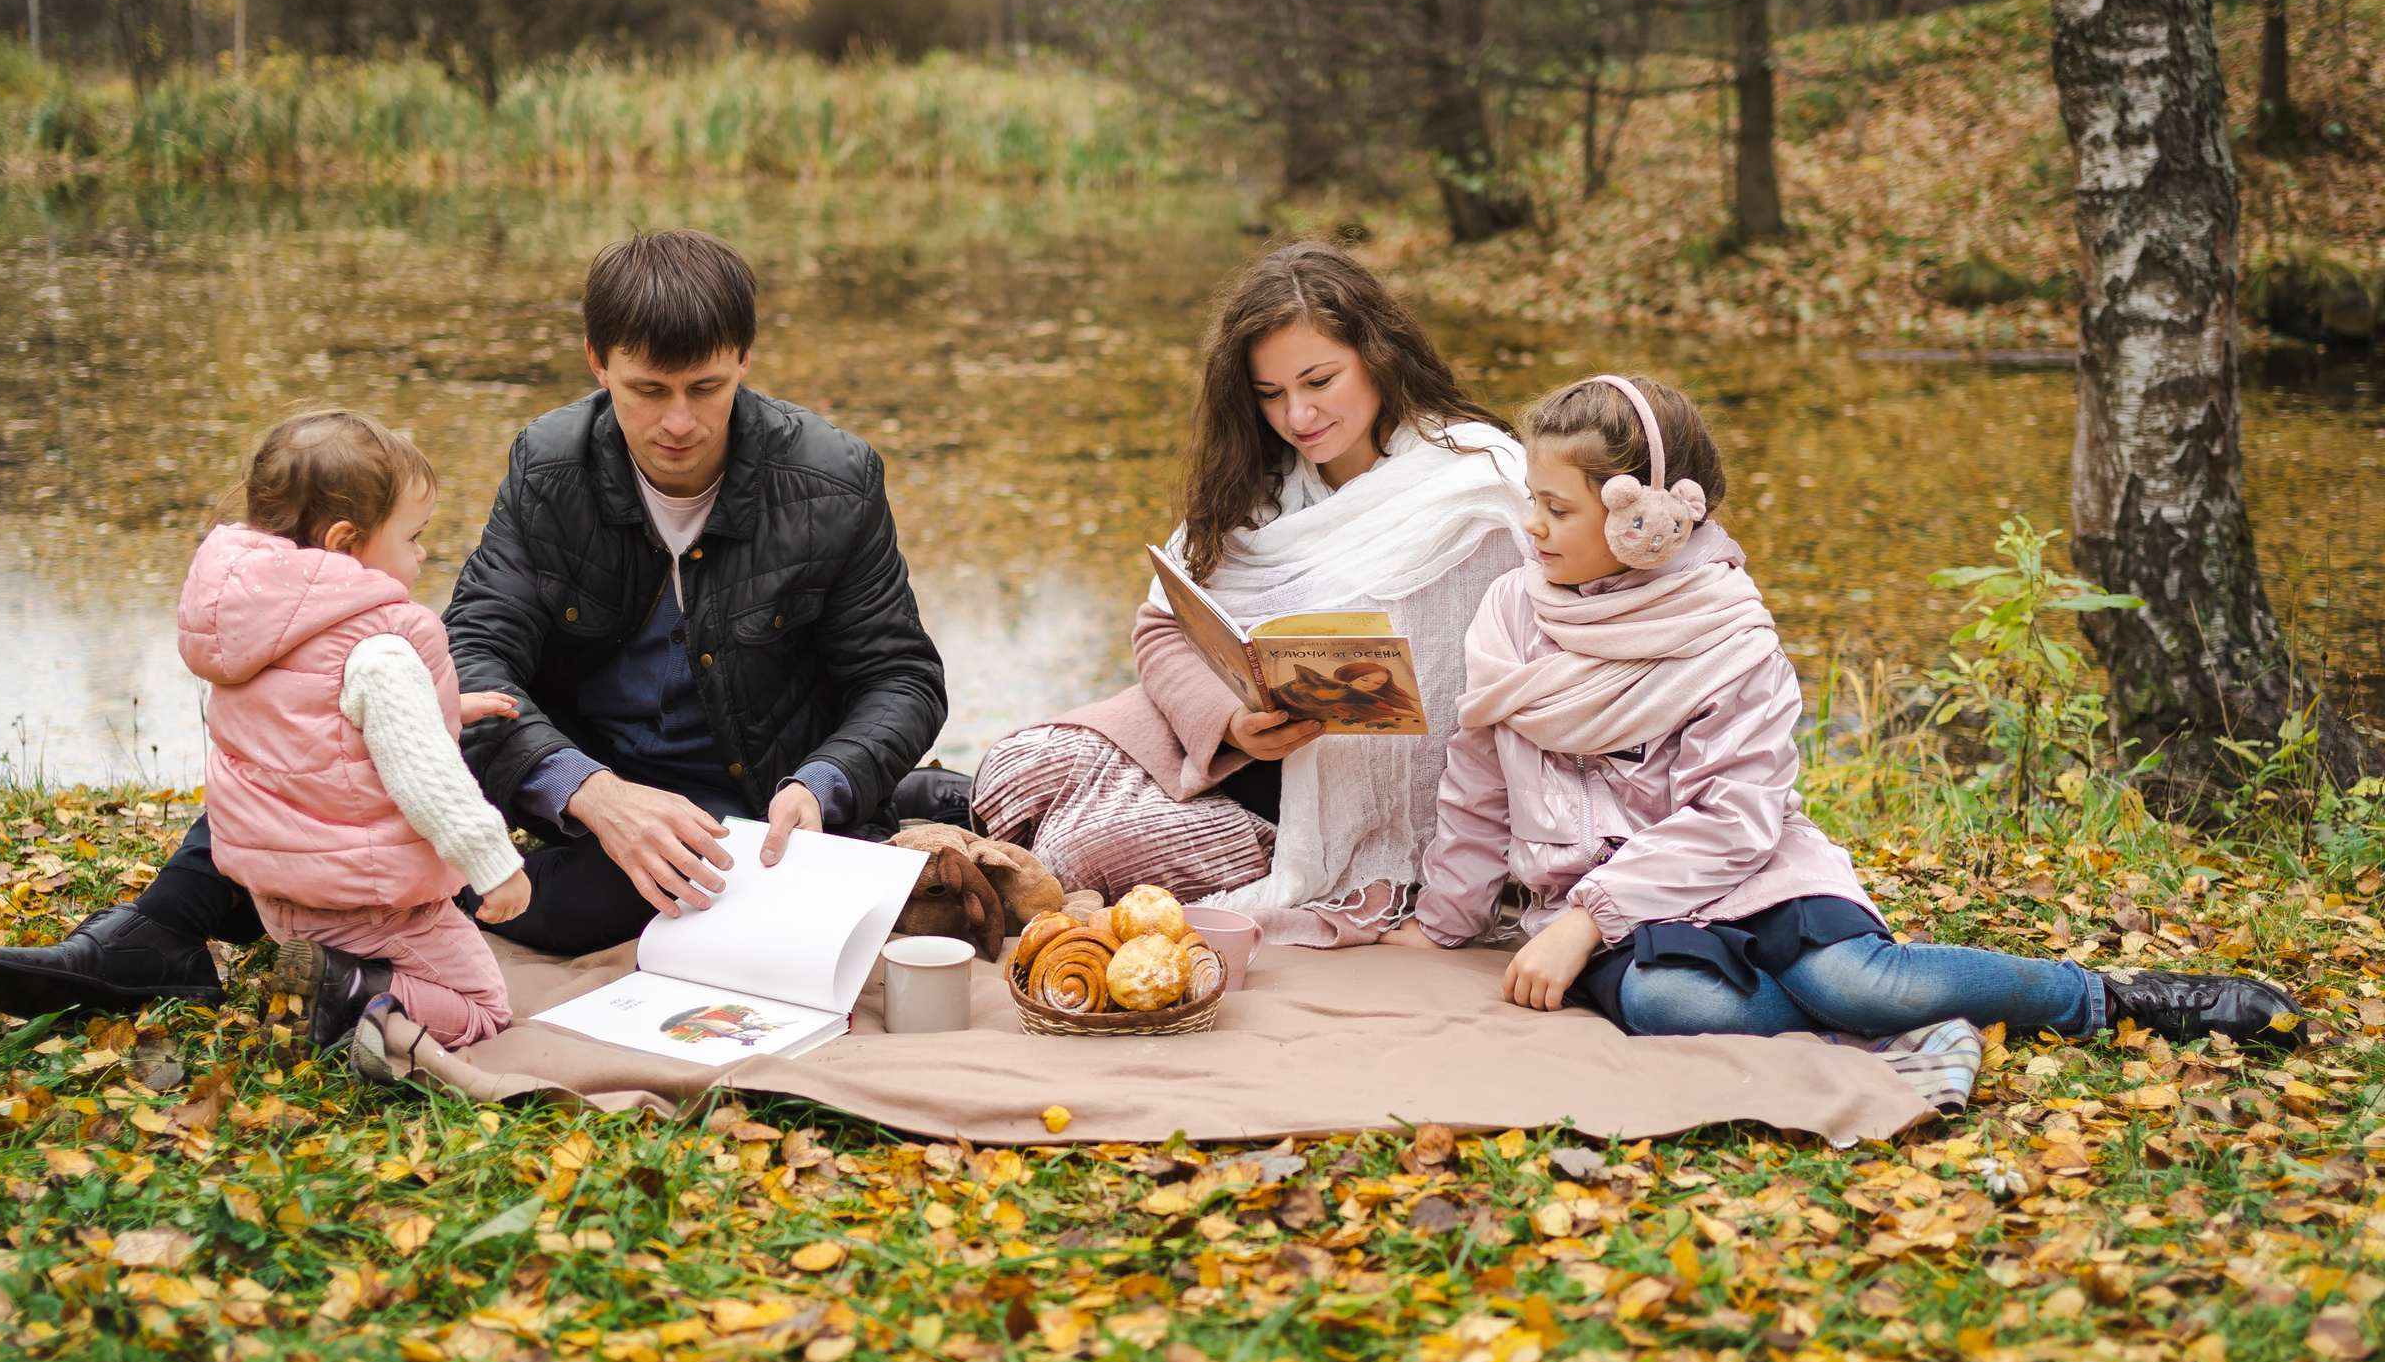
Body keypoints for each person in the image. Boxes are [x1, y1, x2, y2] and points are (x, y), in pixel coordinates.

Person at [0, 230, 954, 1019]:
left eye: (707, 388)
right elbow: (476, 643)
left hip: (732, 801)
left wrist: (818, 787)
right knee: (330, 745)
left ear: (744, 359)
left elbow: (902, 677)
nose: (680, 422)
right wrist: (590, 788)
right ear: (597, 361)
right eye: (648, 390)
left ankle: (359, 925)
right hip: (559, 767)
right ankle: (159, 932)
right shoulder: (552, 461)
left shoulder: (833, 476)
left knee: (564, 911)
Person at [1384, 372, 2305, 1060]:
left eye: (1555, 509)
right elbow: (1478, 785)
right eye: (1531, 507)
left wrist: (1584, 921)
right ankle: (1887, 1031)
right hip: (1614, 908)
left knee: (1853, 981)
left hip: (1740, 874)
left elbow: (1736, 818)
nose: (1533, 530)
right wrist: (1447, 920)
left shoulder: (1727, 631)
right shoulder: (1514, 609)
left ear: (1640, 519)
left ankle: (2106, 999)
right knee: (1675, 1006)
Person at [973, 242, 1529, 946]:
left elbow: (1519, 681)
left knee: (1084, 853)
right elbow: (1160, 625)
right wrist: (1229, 723)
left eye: (1319, 381)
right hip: (1222, 747)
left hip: (1328, 814)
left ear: (1379, 355)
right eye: (1270, 395)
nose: (1298, 416)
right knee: (1010, 772)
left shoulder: (1479, 488)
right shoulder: (1261, 486)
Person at [178, 410, 528, 1065]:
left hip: (280, 894)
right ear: (345, 542)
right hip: (367, 898)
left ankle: (321, 978)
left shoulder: (254, 625)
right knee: (483, 1005)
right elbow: (425, 774)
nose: (423, 554)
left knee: (347, 953)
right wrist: (494, 864)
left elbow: (322, 718)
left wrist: (444, 704)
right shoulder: (378, 646)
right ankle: (348, 989)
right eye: (414, 537)